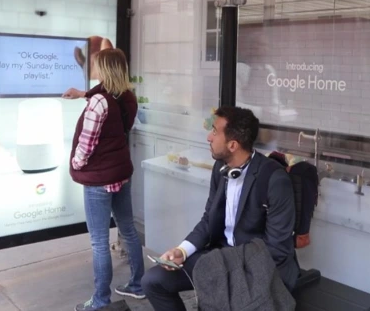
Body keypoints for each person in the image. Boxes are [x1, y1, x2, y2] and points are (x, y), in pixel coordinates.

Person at [141, 106, 299, 311]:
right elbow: (209, 219)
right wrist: (182, 250)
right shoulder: (221, 168)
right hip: (219, 257)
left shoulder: (274, 180)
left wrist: (223, 265)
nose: (209, 137)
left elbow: (277, 249)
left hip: (258, 266)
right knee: (153, 282)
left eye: (215, 132)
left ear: (233, 145)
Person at [65, 48, 145, 311]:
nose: (94, 69)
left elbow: (86, 144)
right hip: (120, 173)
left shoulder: (98, 102)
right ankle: (138, 285)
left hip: (99, 179)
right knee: (128, 229)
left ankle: (100, 300)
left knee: (99, 242)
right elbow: (120, 125)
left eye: (97, 65)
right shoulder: (128, 97)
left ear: (105, 68)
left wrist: (76, 163)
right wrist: (82, 94)